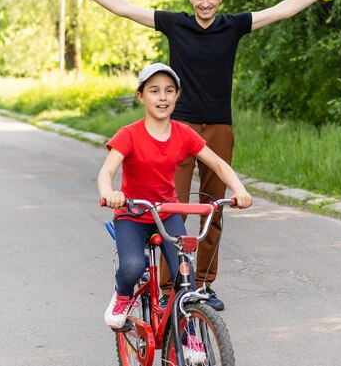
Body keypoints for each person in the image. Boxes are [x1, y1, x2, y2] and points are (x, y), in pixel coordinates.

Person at [54, 0, 341, 311]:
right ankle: (167, 287)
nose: (205, 3)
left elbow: (282, 10)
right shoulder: (176, 24)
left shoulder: (233, 26)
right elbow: (125, 8)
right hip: (178, 128)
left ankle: (204, 285)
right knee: (169, 206)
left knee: (214, 209)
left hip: (219, 126)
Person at [97, 63, 251, 334]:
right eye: (154, 91)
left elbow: (217, 164)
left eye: (169, 91)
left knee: (186, 278)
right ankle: (122, 297)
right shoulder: (129, 134)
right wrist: (110, 193)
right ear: (141, 96)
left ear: (177, 96)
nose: (163, 97)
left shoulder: (183, 133)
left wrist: (239, 189)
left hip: (167, 212)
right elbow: (106, 172)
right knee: (132, 266)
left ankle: (191, 337)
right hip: (132, 213)